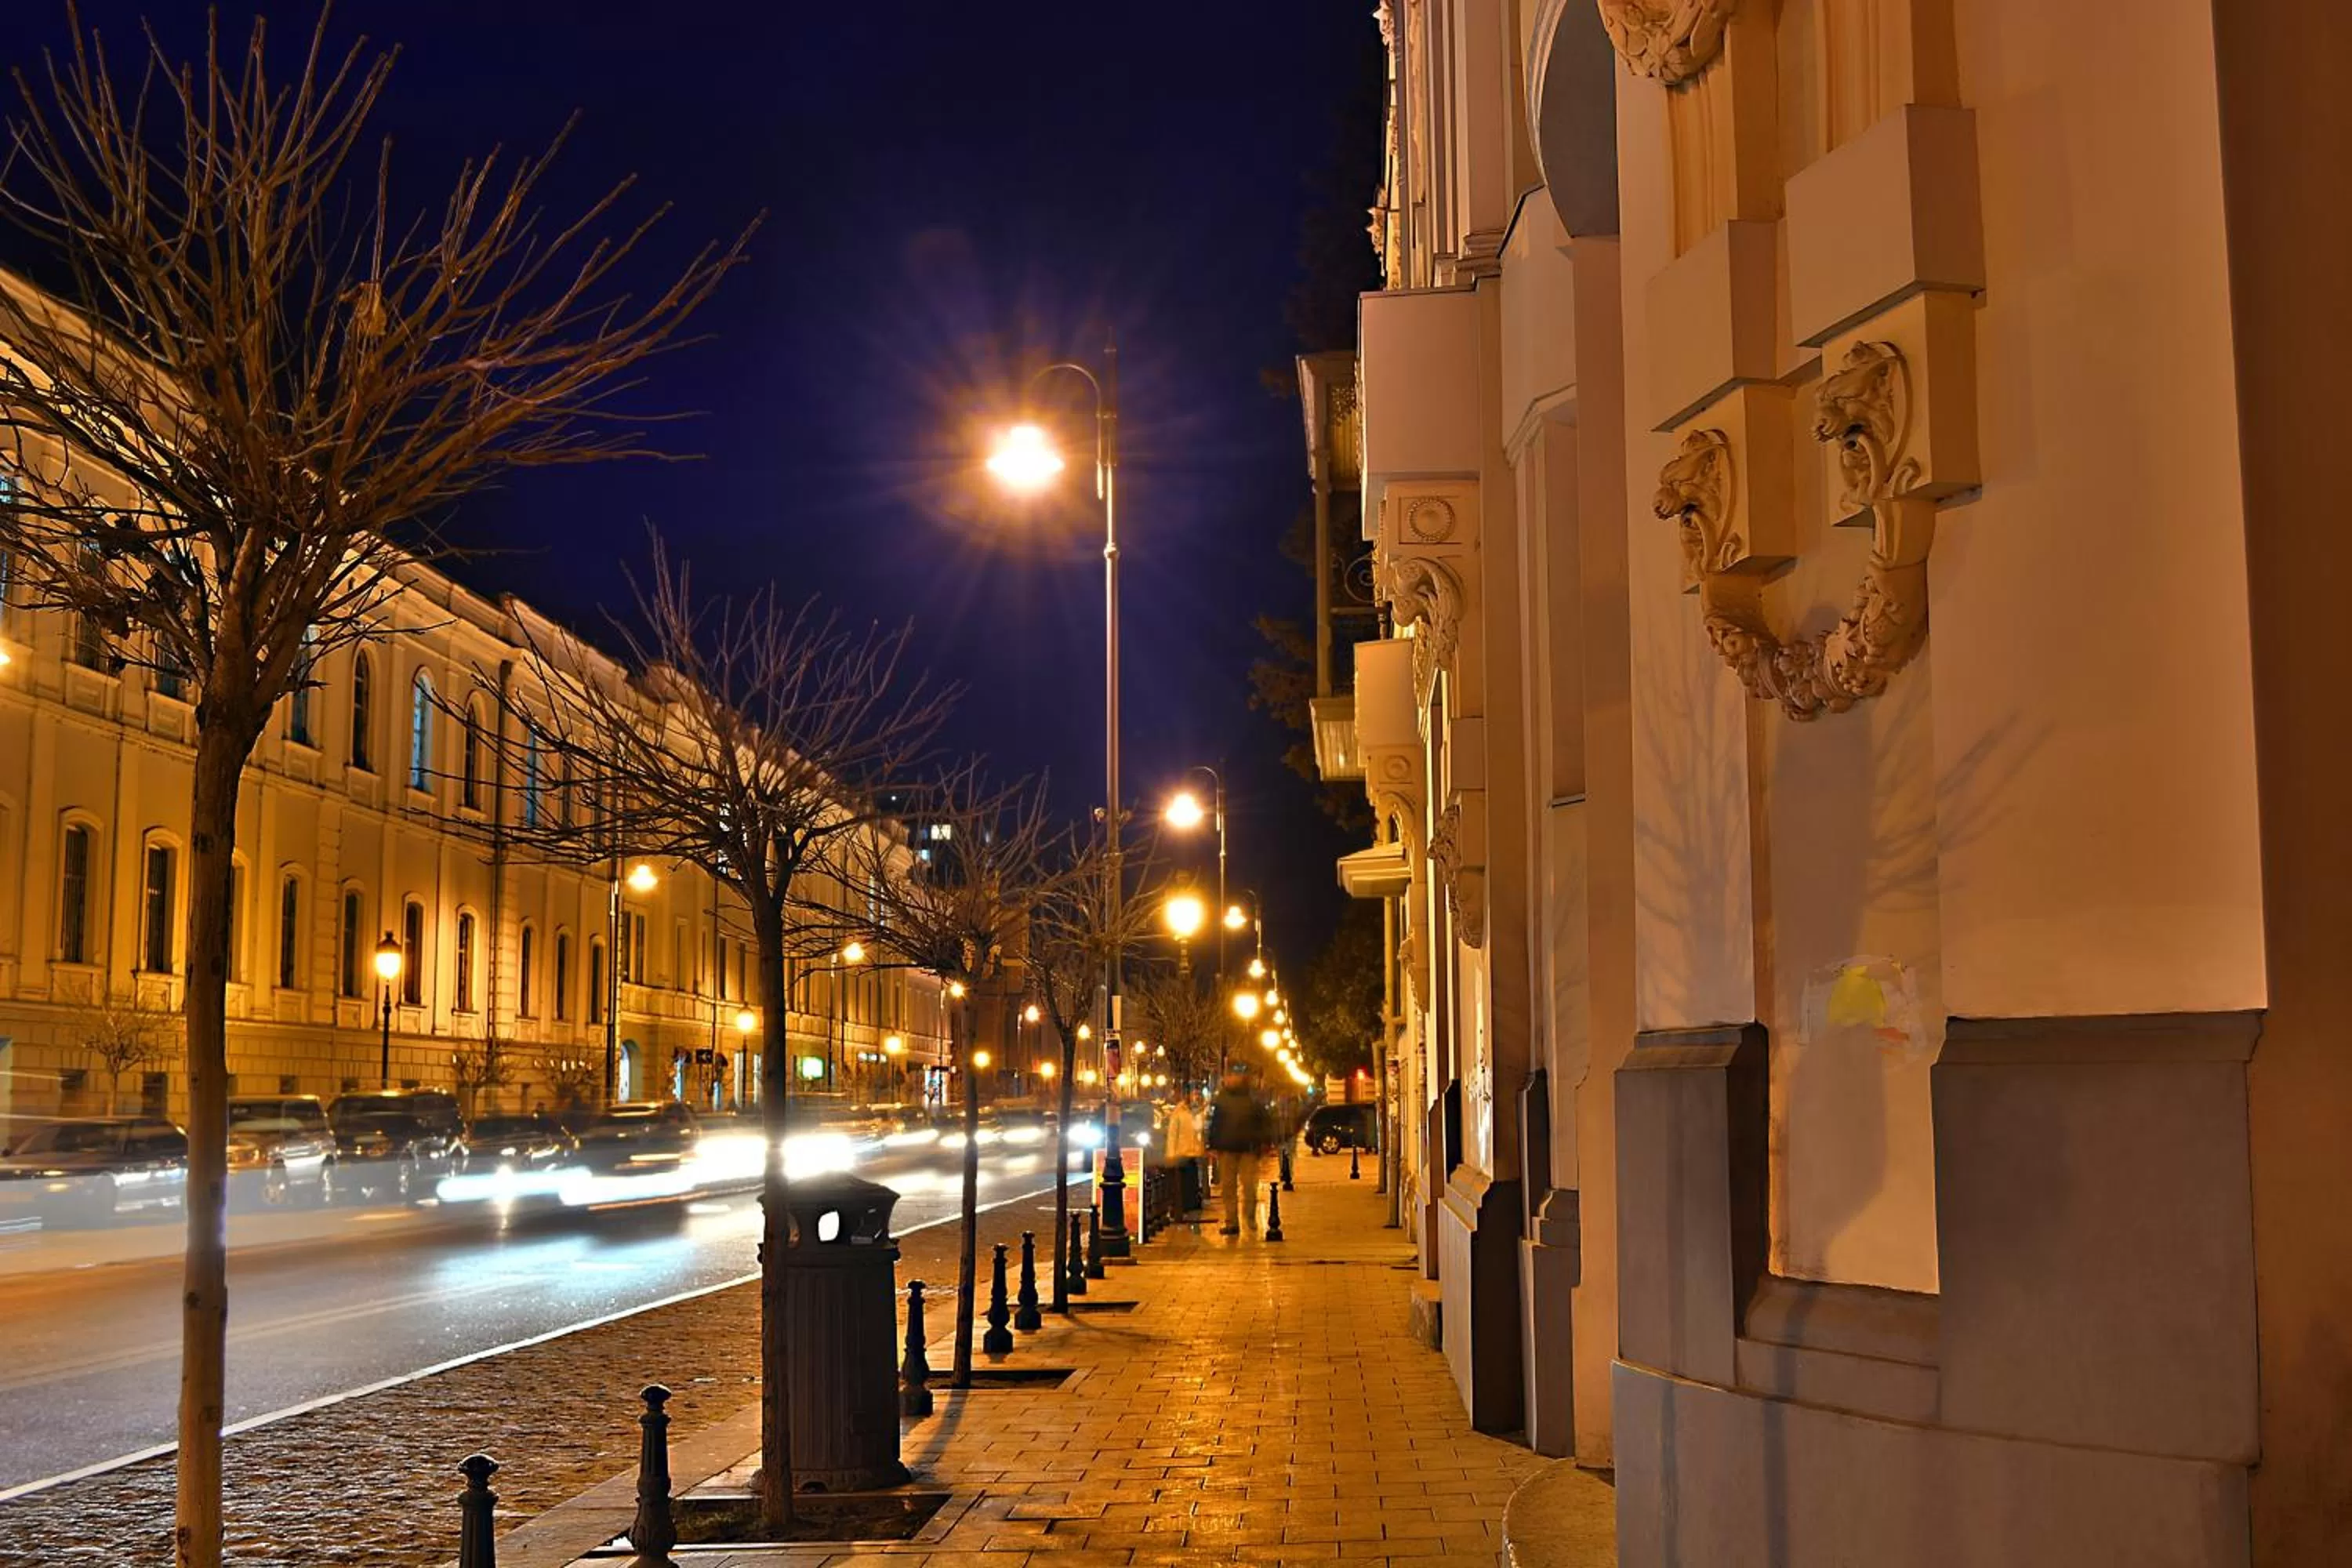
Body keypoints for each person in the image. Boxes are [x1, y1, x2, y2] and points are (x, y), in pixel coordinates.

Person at [1206, 1064, 1272, 1236]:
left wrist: (1264, 1141)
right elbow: (1217, 1122)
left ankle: (1246, 1219)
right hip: (1232, 1148)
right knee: (1231, 1187)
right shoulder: (1231, 1098)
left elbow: (1262, 1120)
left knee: (1246, 1186)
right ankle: (1235, 1221)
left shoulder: (1249, 1098)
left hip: (1244, 1148)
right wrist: (1212, 1144)